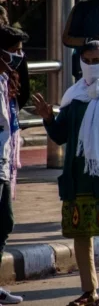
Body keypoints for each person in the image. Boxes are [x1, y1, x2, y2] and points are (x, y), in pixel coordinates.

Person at [33, 41, 99, 306]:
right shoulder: (74, 97)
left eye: (97, 60)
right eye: (87, 61)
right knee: (82, 234)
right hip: (79, 176)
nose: (92, 65)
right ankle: (88, 290)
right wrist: (48, 119)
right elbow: (60, 136)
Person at [0, 25, 29, 306]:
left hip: (4, 163)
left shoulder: (7, 79)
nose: (19, 56)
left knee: (5, 222)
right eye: (13, 50)